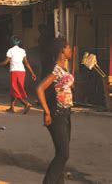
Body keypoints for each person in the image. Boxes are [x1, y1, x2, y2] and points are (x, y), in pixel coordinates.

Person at [36, 37, 74, 184]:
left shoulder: (64, 68)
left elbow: (63, 87)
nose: (70, 50)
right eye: (69, 48)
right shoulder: (56, 69)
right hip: (57, 114)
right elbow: (39, 88)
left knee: (62, 154)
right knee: (63, 155)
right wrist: (46, 111)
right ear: (63, 50)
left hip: (66, 114)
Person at [0, 35, 37, 113]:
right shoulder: (22, 51)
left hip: (14, 72)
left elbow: (5, 62)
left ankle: (26, 104)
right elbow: (26, 63)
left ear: (11, 42)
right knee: (14, 89)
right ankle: (12, 108)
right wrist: (32, 73)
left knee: (15, 90)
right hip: (22, 72)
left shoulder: (10, 50)